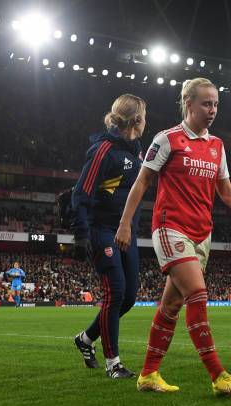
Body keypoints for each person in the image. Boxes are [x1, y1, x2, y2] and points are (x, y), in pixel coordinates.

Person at [115, 77, 231, 395]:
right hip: (171, 228)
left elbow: (224, 190)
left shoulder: (217, 146)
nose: (212, 110)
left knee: (171, 306)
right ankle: (218, 376)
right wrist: (125, 223)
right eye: (206, 103)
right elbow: (142, 182)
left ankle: (148, 375)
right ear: (189, 104)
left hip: (202, 234)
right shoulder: (167, 139)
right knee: (197, 293)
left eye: (215, 105)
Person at [71, 94, 146, 378]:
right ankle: (113, 364)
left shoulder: (136, 149)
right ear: (137, 120)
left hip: (127, 232)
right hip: (102, 231)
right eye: (145, 116)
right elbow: (82, 192)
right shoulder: (103, 150)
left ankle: (86, 339)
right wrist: (81, 235)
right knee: (115, 293)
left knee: (128, 298)